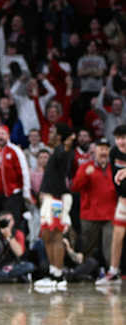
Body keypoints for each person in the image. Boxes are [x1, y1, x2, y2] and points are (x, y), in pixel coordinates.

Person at [35, 123, 75, 289]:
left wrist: (68, 142)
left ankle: (59, 277)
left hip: (56, 200)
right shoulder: (55, 152)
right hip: (48, 200)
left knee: (56, 237)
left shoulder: (62, 151)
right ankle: (53, 273)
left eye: (52, 131)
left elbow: (66, 152)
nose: (49, 134)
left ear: (59, 136)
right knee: (47, 236)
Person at [71, 138, 116, 269]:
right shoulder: (85, 167)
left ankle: (111, 272)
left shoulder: (114, 168)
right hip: (90, 214)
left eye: (106, 149)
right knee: (87, 247)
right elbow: (75, 187)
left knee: (110, 246)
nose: (104, 151)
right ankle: (85, 271)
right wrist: (85, 175)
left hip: (110, 215)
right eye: (101, 148)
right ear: (95, 151)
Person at [0, 125, 32, 225]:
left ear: (8, 136)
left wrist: (26, 192)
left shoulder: (14, 150)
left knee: (11, 222)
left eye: (3, 134)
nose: (0, 137)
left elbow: (24, 172)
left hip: (12, 193)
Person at [101, 124, 126, 284]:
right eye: (117, 138)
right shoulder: (114, 153)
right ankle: (113, 271)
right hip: (123, 200)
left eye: (123, 138)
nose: (121, 141)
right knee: (117, 236)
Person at [0, 212, 34, 283]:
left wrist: (9, 236)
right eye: (3, 221)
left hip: (14, 266)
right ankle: (10, 278)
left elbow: (19, 253)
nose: (6, 224)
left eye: (8, 221)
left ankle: (2, 278)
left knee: (29, 266)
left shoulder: (18, 233)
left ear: (13, 222)